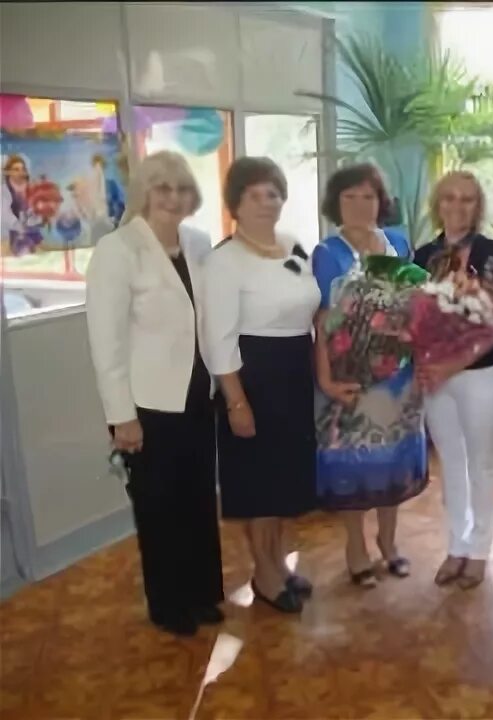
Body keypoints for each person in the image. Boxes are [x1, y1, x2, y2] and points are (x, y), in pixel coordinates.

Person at [85, 150, 223, 636]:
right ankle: (169, 604)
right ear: (144, 192)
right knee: (159, 507)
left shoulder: (198, 242)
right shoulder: (118, 250)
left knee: (198, 499)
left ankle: (202, 593)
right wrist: (121, 416)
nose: (173, 197)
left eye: (183, 188)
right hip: (148, 405)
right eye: (163, 188)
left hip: (197, 395)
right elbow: (106, 342)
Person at [201, 157, 321, 614]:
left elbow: (311, 305)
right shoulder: (224, 260)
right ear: (235, 204)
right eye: (254, 195)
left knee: (284, 481)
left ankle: (278, 565)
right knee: (258, 483)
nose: (266, 202)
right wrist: (236, 401)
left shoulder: (293, 245)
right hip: (252, 377)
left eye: (273, 193)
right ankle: (265, 574)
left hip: (294, 371)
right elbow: (217, 337)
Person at [312, 162, 428, 588]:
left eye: (369, 196)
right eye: (350, 197)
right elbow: (323, 322)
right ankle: (356, 548)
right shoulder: (328, 253)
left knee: (392, 462)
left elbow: (417, 307)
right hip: (351, 377)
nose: (361, 205)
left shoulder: (398, 242)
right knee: (355, 465)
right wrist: (326, 381)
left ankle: (389, 542)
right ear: (336, 203)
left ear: (381, 202)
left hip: (400, 377)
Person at [412, 171, 493, 590]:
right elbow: (414, 318)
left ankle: (480, 552)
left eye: (468, 199)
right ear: (438, 204)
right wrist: (424, 360)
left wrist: (451, 364)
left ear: (478, 207)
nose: (458, 206)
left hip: (481, 374)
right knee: (451, 464)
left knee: (483, 464)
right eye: (449, 197)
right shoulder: (423, 255)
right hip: (436, 378)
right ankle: (457, 546)